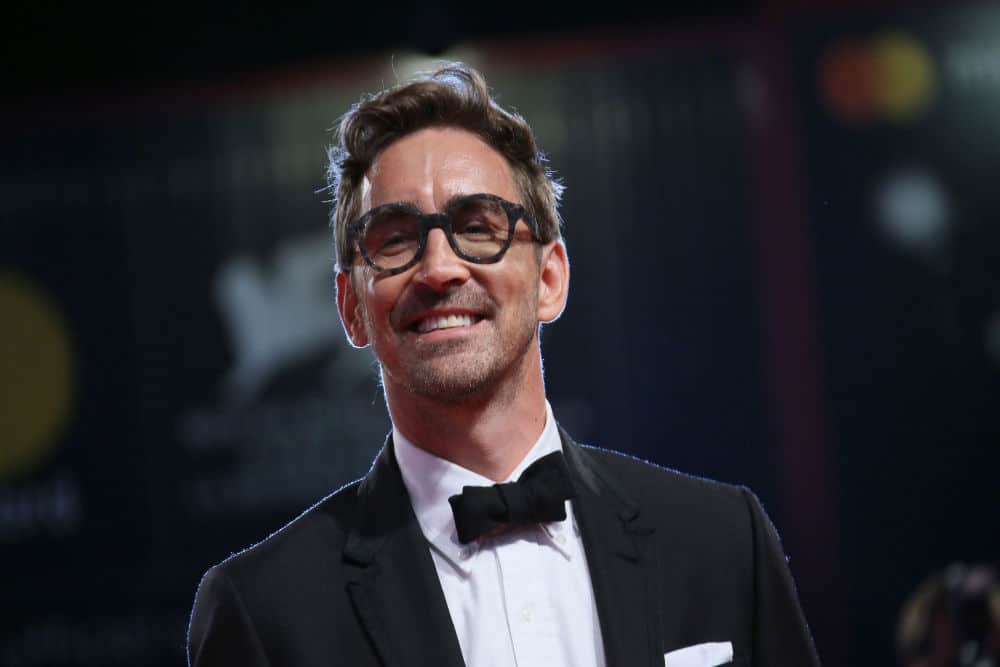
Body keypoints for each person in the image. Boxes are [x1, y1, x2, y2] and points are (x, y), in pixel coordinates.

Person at [187, 63, 820, 667]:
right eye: (395, 239)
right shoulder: (265, 612)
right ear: (351, 306)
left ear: (549, 278)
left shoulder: (720, 542)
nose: (439, 268)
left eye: (478, 226)